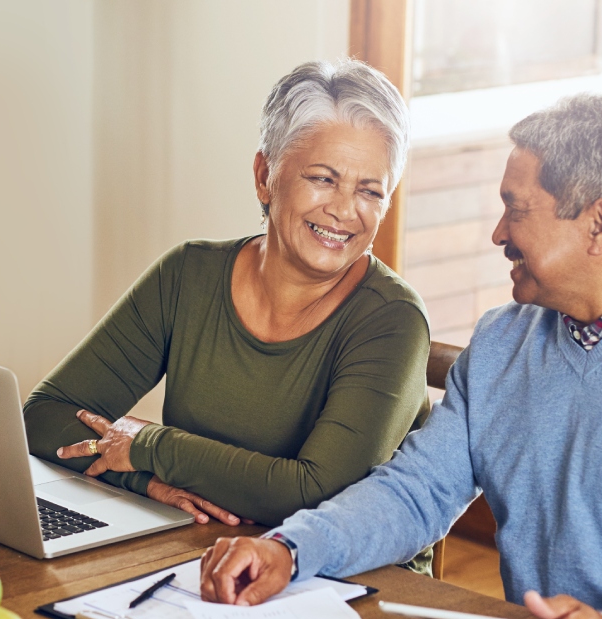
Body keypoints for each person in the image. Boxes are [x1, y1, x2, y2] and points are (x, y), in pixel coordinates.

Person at [198, 92, 602, 619]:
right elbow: (415, 493)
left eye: (515, 208)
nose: (498, 231)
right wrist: (291, 547)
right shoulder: (503, 340)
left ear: (599, 225)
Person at [22, 60, 433, 547]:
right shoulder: (187, 275)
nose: (345, 210)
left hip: (345, 578)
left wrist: (151, 446)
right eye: (324, 178)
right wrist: (142, 478)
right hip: (199, 549)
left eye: (370, 191)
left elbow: (316, 492)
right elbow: (44, 417)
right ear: (265, 176)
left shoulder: (392, 320)